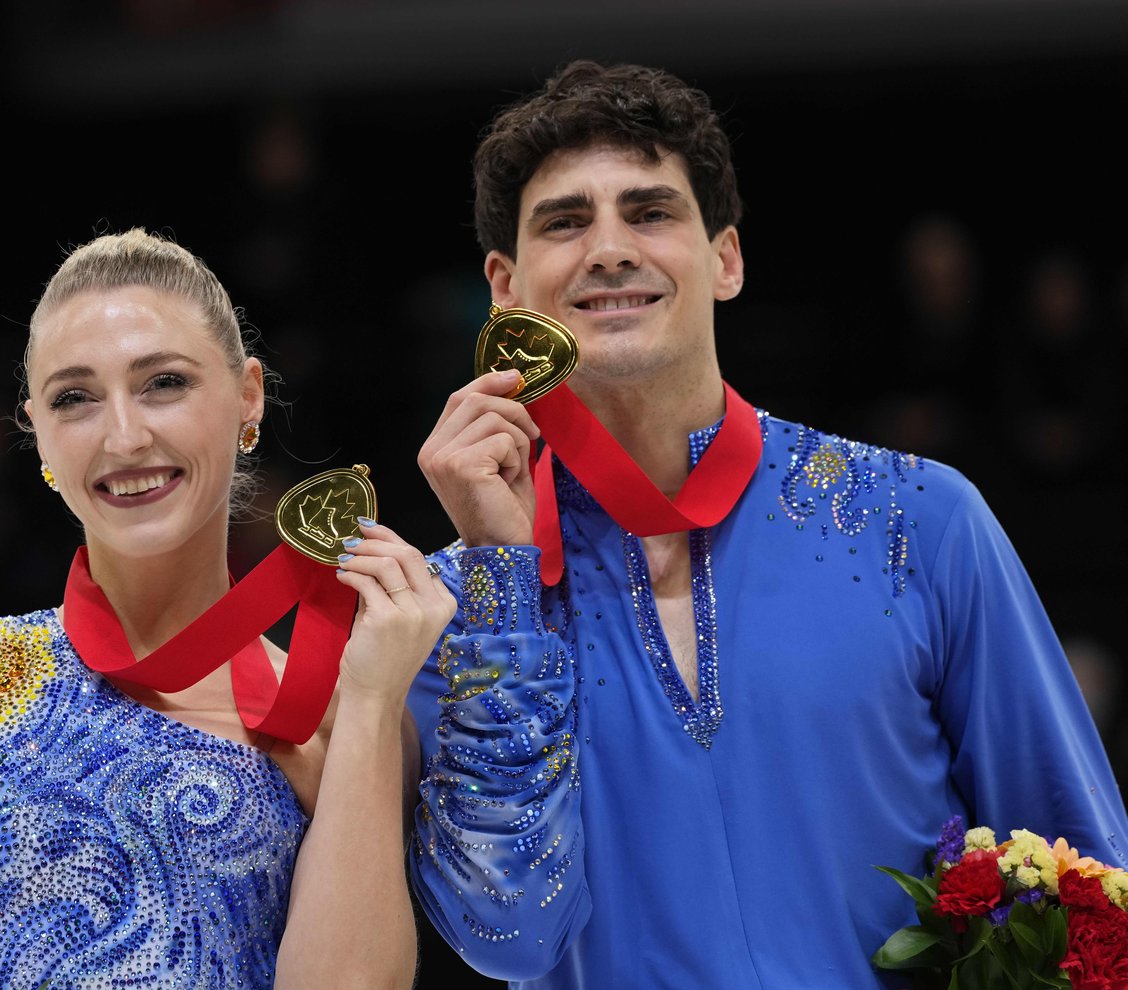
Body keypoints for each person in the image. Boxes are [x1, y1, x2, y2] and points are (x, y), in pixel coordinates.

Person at [406, 60, 1128, 989]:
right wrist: (505, 579)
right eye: (565, 221)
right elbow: (505, 933)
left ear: (727, 259)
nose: (611, 248)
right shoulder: (450, 603)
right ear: (504, 286)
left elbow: (1085, 887)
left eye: (652, 211)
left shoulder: (917, 518)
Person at [0, 227, 456, 989]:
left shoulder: (338, 714)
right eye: (75, 398)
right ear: (38, 433)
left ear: (248, 396)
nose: (124, 434)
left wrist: (376, 702)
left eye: (164, 383)